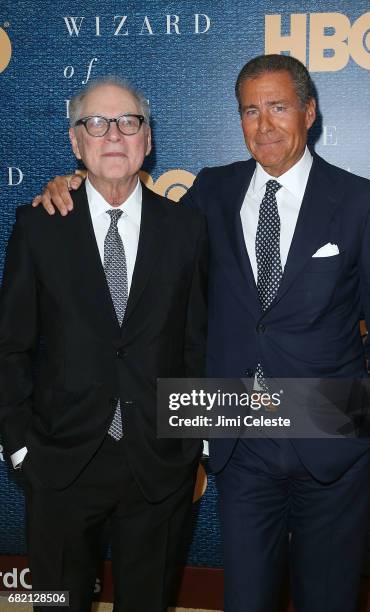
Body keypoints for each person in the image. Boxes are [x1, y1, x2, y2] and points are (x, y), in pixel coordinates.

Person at [33, 55, 370, 612]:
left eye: (278, 107)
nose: (264, 125)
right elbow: (140, 220)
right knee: (245, 601)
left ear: (308, 112)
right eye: (250, 111)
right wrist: (76, 184)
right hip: (239, 436)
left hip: (334, 439)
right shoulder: (212, 191)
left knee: (328, 600)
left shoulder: (363, 203)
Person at [0, 77, 207, 612]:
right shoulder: (37, 225)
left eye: (128, 122)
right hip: (59, 462)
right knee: (52, 602)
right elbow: (11, 346)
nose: (113, 134)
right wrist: (21, 446)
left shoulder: (188, 229)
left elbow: (197, 343)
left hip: (159, 464)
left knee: (149, 602)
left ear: (147, 139)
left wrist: (195, 444)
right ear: (75, 143)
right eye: (96, 122)